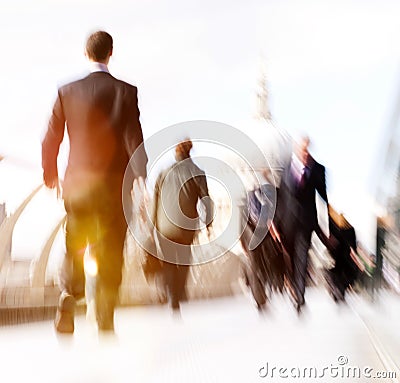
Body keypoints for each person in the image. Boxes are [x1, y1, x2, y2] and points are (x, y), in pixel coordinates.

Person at [42, 31, 147, 333]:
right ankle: (105, 314)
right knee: (112, 248)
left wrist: (50, 175)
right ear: (110, 53)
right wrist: (140, 177)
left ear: (86, 54)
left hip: (78, 186)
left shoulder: (66, 91)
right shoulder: (125, 92)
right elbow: (134, 140)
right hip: (114, 188)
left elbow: (51, 138)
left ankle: (67, 295)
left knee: (75, 243)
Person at [151, 139, 213, 312]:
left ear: (175, 152)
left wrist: (152, 224)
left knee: (168, 262)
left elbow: (155, 200)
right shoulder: (198, 172)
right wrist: (208, 223)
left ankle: (172, 296)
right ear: (190, 151)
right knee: (184, 260)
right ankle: (178, 293)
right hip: (186, 228)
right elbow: (206, 201)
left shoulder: (163, 172)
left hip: (164, 226)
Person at [274, 136, 328, 313]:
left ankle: (300, 296)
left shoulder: (318, 169)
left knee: (302, 259)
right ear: (296, 149)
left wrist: (325, 228)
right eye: (302, 149)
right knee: (289, 258)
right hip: (286, 223)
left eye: (307, 149)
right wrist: (274, 223)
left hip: (306, 223)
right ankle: (292, 286)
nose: (305, 152)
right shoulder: (285, 167)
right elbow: (279, 197)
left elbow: (323, 198)